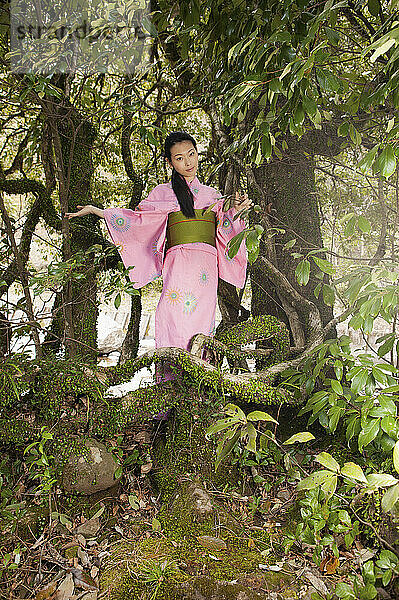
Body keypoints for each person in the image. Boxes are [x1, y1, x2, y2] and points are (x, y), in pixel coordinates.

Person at [66, 131, 250, 359]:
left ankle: (200, 382)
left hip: (205, 266)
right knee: (170, 314)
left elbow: (226, 227)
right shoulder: (162, 193)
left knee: (202, 322)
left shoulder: (212, 195)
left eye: (191, 154)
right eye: (179, 158)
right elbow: (138, 220)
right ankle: (169, 381)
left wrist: (237, 212)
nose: (188, 162)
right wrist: (98, 212)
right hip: (177, 263)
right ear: (170, 162)